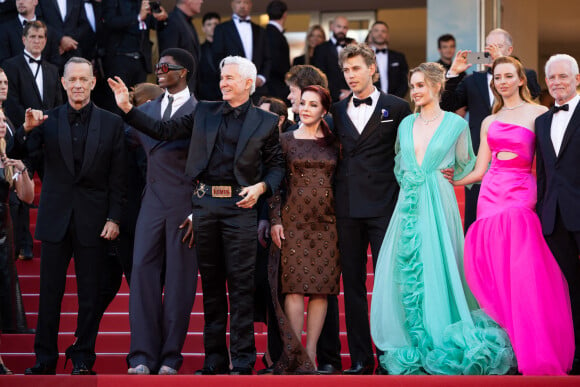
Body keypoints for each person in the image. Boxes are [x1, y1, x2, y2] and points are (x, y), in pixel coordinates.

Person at [108, 55, 284, 375]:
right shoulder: (204, 111)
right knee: (213, 289)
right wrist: (128, 110)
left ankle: (242, 361)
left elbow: (276, 168)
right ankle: (214, 360)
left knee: (241, 288)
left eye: (230, 77)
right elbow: (163, 129)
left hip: (240, 208)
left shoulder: (266, 122)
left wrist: (261, 188)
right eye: (221, 77)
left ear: (248, 83)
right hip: (206, 207)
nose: (223, 82)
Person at [370, 62, 515, 375]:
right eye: (413, 86)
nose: (415, 91)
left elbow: (468, 165)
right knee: (409, 269)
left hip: (439, 200)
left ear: (437, 86)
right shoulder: (406, 123)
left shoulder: (456, 124)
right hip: (409, 203)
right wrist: (414, 182)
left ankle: (441, 334)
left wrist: (447, 179)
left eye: (421, 85)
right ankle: (413, 337)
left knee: (440, 264)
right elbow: (399, 164)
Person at [452, 56, 574, 375]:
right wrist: (454, 178)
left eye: (508, 76)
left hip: (521, 191)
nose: (503, 81)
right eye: (497, 77)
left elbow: (550, 163)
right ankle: (509, 344)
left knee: (523, 269)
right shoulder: (488, 122)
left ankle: (532, 341)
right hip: (490, 193)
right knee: (497, 269)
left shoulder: (539, 114)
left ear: (521, 79)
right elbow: (481, 168)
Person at [20, 57, 126, 376]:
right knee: (49, 294)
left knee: (90, 295)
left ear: (93, 83)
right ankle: (45, 359)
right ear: (63, 83)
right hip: (55, 217)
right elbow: (23, 157)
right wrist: (26, 132)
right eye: (72, 79)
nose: (78, 84)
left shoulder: (112, 123)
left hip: (94, 221)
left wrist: (115, 218)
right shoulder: (46, 120)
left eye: (84, 79)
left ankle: (82, 357)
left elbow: (119, 177)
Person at [332, 43, 411, 375]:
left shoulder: (398, 107)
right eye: (346, 70)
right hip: (346, 208)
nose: (351, 76)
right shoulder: (335, 111)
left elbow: (410, 150)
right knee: (351, 286)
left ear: (372, 69)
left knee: (386, 285)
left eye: (356, 69)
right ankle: (361, 359)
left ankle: (389, 355)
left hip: (384, 207)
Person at [125, 48, 198, 376]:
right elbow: (120, 145)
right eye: (157, 65)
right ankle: (140, 355)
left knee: (181, 283)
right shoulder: (145, 110)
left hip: (186, 205)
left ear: (183, 72)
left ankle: (170, 357)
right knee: (141, 275)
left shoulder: (203, 112)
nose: (159, 70)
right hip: (151, 203)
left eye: (166, 67)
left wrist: (200, 211)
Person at [267, 85, 340, 374]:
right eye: (303, 103)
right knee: (294, 290)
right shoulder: (284, 141)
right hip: (293, 222)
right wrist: (275, 220)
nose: (306, 108)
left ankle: (310, 355)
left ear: (324, 110)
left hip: (328, 223)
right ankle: (293, 355)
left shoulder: (335, 144)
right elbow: (274, 183)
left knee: (321, 292)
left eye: (313, 104)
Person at [440, 28, 541, 233]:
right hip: (479, 158)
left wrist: (504, 62)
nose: (491, 51)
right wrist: (453, 73)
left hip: (515, 173)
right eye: (488, 47)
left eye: (498, 47)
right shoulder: (471, 80)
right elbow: (447, 105)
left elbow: (534, 92)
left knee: (514, 229)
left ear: (510, 49)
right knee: (476, 222)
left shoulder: (525, 75)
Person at [536, 53, 580, 374]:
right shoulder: (542, 121)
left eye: (563, 77)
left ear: (577, 79)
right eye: (552, 78)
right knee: (572, 288)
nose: (557, 83)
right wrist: (541, 211)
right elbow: (544, 174)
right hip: (555, 217)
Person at [0, 107, 34, 335]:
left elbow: (27, 197)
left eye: (3, 120)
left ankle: (11, 325)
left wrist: (23, 172)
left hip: (3, 225)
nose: (2, 124)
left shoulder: (7, 157)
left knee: (5, 274)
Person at [101, 0, 168, 111]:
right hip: (120, 59)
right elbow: (110, 21)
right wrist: (137, 17)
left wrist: (162, 19)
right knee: (117, 102)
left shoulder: (143, 3)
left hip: (141, 60)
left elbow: (153, 25)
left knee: (140, 101)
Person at [213, 0, 271, 101]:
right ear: (232, 4)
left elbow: (268, 58)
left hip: (258, 89)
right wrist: (231, 78)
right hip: (232, 88)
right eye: (239, 2)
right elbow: (218, 57)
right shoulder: (221, 29)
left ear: (251, 5)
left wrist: (261, 78)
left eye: (246, 2)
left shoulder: (261, 30)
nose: (243, 5)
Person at [157, 0, 202, 92]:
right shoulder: (172, 21)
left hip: (188, 87)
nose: (201, 1)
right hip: (176, 90)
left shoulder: (186, 21)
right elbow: (167, 58)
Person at [0, 0, 59, 67]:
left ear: (35, 1)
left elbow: (55, 63)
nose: (20, 2)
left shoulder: (49, 31)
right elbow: (3, 62)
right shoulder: (4, 30)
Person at [312, 16, 354, 102]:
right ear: (332, 27)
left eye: (344, 27)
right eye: (339, 26)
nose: (341, 30)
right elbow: (320, 76)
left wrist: (352, 92)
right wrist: (339, 94)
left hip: (352, 97)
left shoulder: (353, 48)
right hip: (330, 99)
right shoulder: (321, 49)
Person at [368, 21, 409, 98]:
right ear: (371, 34)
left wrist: (395, 100)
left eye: (383, 31)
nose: (380, 33)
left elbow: (405, 82)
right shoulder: (364, 57)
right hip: (370, 101)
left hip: (394, 102)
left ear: (388, 35)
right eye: (376, 31)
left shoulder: (399, 57)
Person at [198, 12, 221, 101]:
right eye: (209, 24)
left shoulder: (229, 48)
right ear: (203, 28)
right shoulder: (198, 50)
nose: (213, 27)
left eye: (216, 24)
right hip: (205, 98)